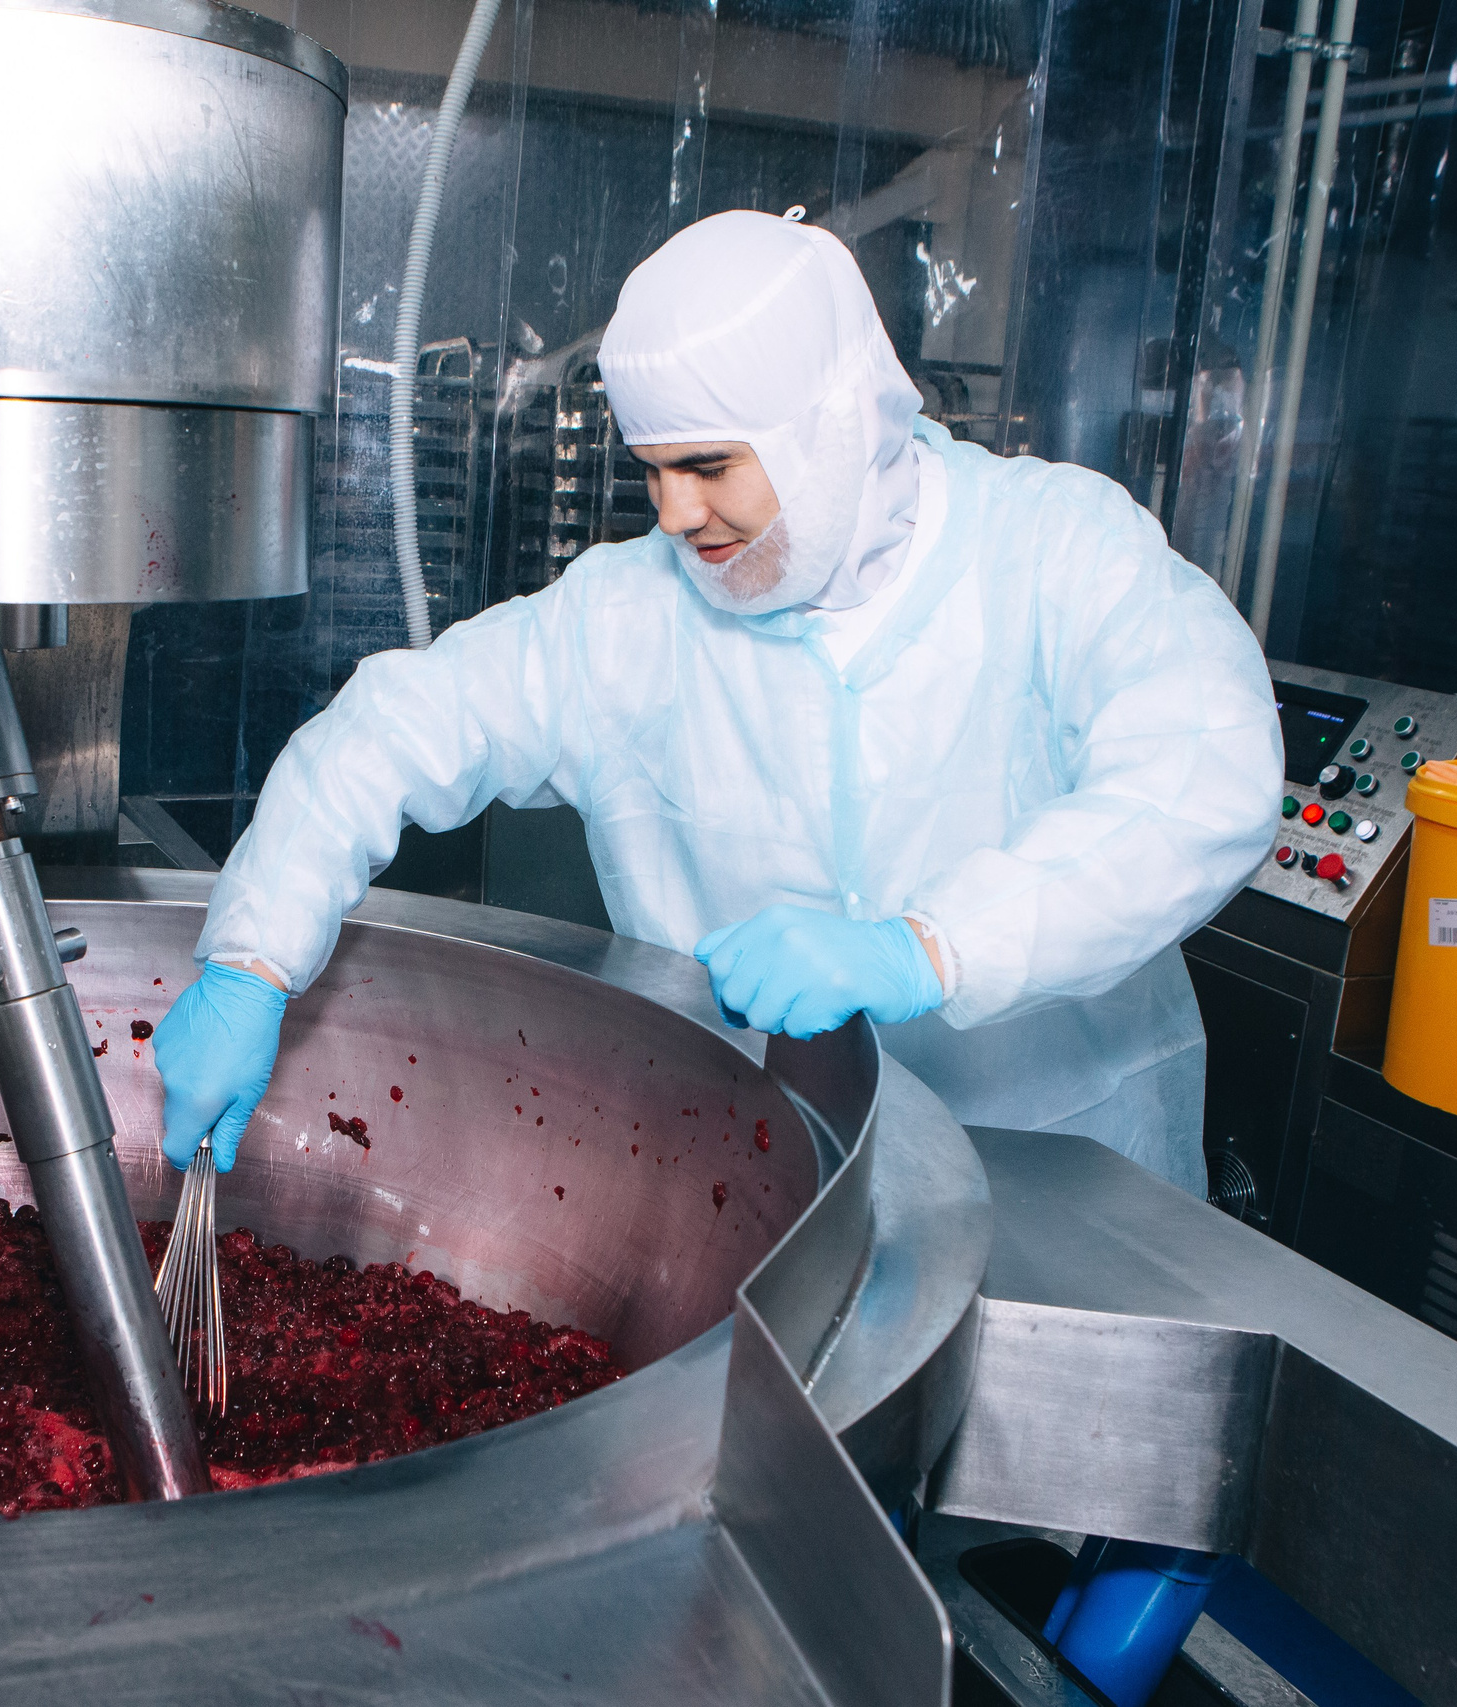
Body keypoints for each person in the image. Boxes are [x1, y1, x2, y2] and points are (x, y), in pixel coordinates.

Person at [151, 211, 1281, 1195]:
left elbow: (1204, 775)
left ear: (827, 425)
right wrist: (253, 957)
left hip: (1058, 1177)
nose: (676, 512)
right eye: (651, 469)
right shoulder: (629, 616)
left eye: (707, 464)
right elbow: (391, 732)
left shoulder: (1055, 553)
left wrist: (928, 949)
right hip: (775, 1182)